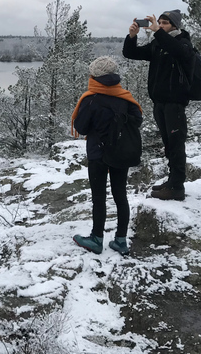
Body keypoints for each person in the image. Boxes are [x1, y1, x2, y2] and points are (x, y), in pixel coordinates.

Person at [71, 56, 142, 255]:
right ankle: (120, 240)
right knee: (121, 195)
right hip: (120, 152)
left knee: (99, 197)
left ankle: (96, 238)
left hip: (97, 153)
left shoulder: (91, 98)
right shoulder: (125, 97)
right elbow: (137, 121)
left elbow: (81, 127)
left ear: (94, 75)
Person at [122, 9, 194, 201]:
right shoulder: (158, 44)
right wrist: (132, 37)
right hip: (159, 103)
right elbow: (131, 53)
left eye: (165, 23)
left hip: (175, 104)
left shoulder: (183, 43)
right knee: (169, 144)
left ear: (175, 26)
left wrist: (157, 32)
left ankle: (177, 187)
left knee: (176, 144)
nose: (160, 26)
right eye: (159, 23)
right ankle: (172, 181)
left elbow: (178, 52)